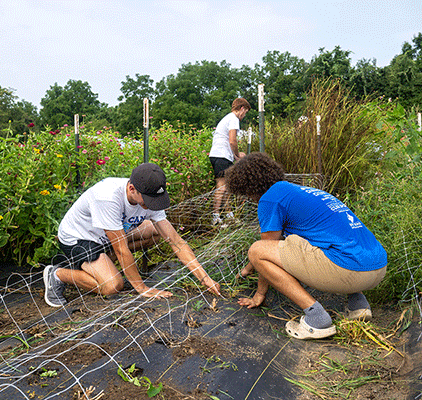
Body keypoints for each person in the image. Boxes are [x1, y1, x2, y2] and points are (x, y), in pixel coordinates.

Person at [224, 152, 387, 339]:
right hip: (377, 267)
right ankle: (358, 305)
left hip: (350, 271)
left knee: (256, 250)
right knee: (321, 242)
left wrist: (259, 293)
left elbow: (264, 248)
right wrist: (247, 269)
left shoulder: (270, 199)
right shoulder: (300, 192)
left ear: (248, 187)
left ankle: (317, 320)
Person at [43, 163, 221, 307]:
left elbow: (175, 241)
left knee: (154, 231)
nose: (152, 205)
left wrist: (204, 277)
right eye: (148, 200)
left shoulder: (148, 196)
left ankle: (103, 263)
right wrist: (142, 288)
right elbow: (122, 249)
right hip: (80, 237)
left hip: (110, 234)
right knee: (112, 285)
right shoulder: (107, 197)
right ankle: (57, 275)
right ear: (131, 188)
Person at [209, 97, 251, 226]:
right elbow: (232, 141)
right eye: (246, 112)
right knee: (221, 187)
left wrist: (234, 156)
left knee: (227, 187)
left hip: (221, 155)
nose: (244, 115)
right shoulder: (233, 119)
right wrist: (238, 155)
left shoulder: (227, 118)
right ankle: (215, 217)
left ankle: (229, 215)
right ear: (242, 109)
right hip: (221, 156)